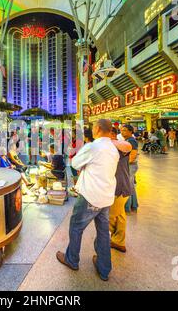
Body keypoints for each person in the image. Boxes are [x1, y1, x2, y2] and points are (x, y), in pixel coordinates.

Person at [56, 119, 119, 282]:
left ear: (97, 129)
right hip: (106, 197)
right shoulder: (113, 147)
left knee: (76, 227)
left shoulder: (93, 147)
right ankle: (104, 268)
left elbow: (76, 164)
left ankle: (72, 260)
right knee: (104, 233)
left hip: (90, 196)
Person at [109, 127, 133, 253]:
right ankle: (119, 242)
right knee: (120, 216)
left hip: (119, 188)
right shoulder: (112, 148)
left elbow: (127, 146)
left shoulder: (119, 147)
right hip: (122, 187)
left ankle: (109, 242)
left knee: (110, 217)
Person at [121, 125, 139, 214]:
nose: (122, 132)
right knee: (130, 185)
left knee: (127, 186)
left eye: (124, 130)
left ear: (130, 131)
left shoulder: (131, 141)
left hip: (131, 166)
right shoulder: (127, 140)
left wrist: (124, 164)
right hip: (129, 165)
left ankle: (128, 208)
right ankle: (133, 206)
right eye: (121, 130)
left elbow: (133, 155)